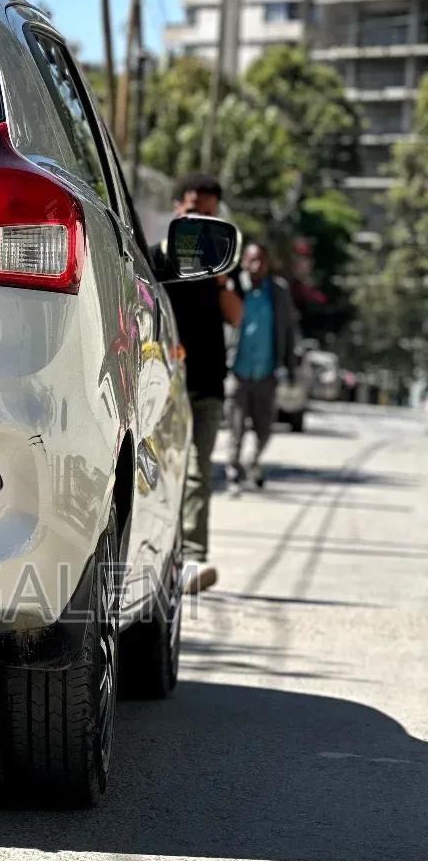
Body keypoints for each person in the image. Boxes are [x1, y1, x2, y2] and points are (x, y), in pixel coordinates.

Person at [151, 173, 242, 595]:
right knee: (155, 472)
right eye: (192, 212)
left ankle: (191, 557)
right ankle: (155, 554)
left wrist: (220, 277)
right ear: (177, 210)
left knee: (198, 472)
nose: (200, 221)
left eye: (208, 214)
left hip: (207, 384)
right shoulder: (156, 259)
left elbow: (236, 316)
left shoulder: (223, 261)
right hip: (162, 384)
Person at [227, 241, 297, 493]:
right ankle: (233, 475)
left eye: (261, 261)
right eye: (251, 260)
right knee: (235, 429)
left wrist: (289, 367)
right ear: (244, 262)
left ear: (267, 264)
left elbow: (288, 331)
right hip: (238, 371)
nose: (256, 265)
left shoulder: (277, 292)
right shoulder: (234, 288)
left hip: (267, 373)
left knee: (265, 429)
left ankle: (252, 461)